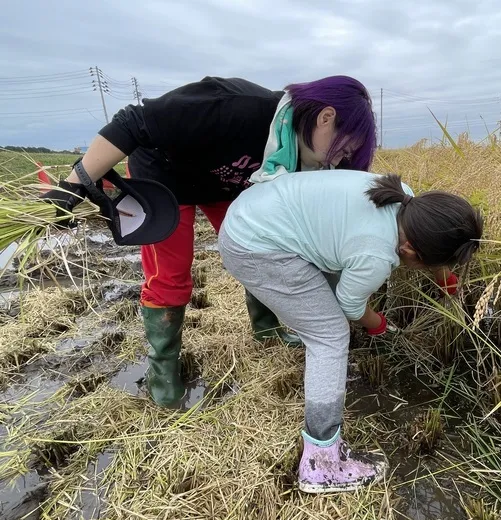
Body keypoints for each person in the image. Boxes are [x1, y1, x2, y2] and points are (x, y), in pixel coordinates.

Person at [40, 75, 377, 408]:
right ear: (326, 117)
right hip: (165, 176)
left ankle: (265, 328)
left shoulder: (290, 156)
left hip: (224, 185)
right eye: (341, 148)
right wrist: (75, 183)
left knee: (262, 248)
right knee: (170, 275)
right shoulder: (236, 106)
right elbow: (132, 121)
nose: (335, 160)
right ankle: (163, 371)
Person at [218, 169, 483, 494]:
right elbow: (350, 305)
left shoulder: (403, 196)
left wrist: (445, 276)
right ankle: (321, 462)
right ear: (411, 251)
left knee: (323, 313)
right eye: (429, 264)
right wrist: (381, 326)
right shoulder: (376, 253)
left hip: (257, 210)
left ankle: (323, 378)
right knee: (330, 335)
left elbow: (423, 240)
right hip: (255, 246)